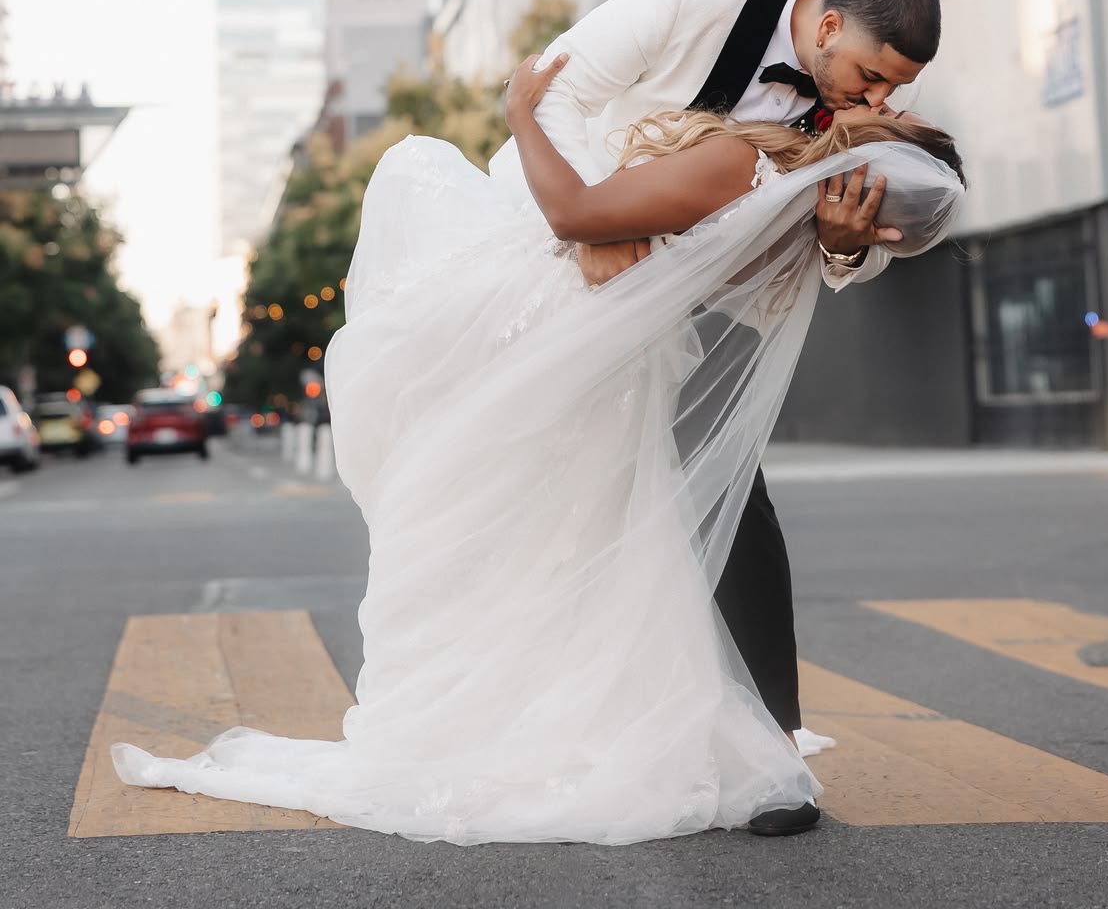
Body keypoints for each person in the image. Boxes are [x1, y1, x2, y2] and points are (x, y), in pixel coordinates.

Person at [112, 46, 964, 846]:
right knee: (569, 546)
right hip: (616, 364)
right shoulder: (799, 236)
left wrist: (523, 111)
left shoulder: (749, 169)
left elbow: (572, 212)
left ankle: (501, 725)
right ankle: (557, 723)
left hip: (555, 327)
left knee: (417, 171)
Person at [487, 0, 943, 834]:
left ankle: (774, 750)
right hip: (575, 251)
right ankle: (571, 721)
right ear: (824, 29)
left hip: (721, 296)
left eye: (898, 88)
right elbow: (556, 101)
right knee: (573, 498)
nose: (879, 102)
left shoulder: (853, 100)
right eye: (871, 77)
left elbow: (869, 237)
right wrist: (592, 227)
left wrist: (847, 246)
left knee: (730, 494)